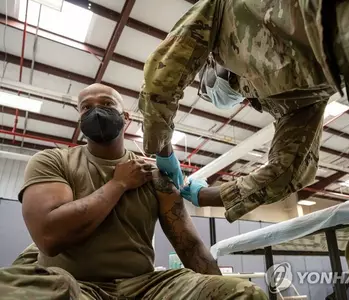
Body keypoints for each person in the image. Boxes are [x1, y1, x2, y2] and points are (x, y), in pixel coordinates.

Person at [139, 0, 349, 299]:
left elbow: (162, 76)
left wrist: (161, 150)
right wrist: (206, 194)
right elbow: (288, 170)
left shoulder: (222, 7)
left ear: (213, 62)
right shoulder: (296, 97)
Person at [0, 83, 267, 300]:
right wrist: (118, 184)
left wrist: (216, 291)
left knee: (243, 293)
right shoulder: (53, 161)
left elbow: (189, 244)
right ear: (80, 117)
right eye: (86, 107)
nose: (96, 111)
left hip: (144, 287)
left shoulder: (156, 176)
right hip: (76, 287)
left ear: (125, 117)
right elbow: (49, 235)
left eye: (106, 104)